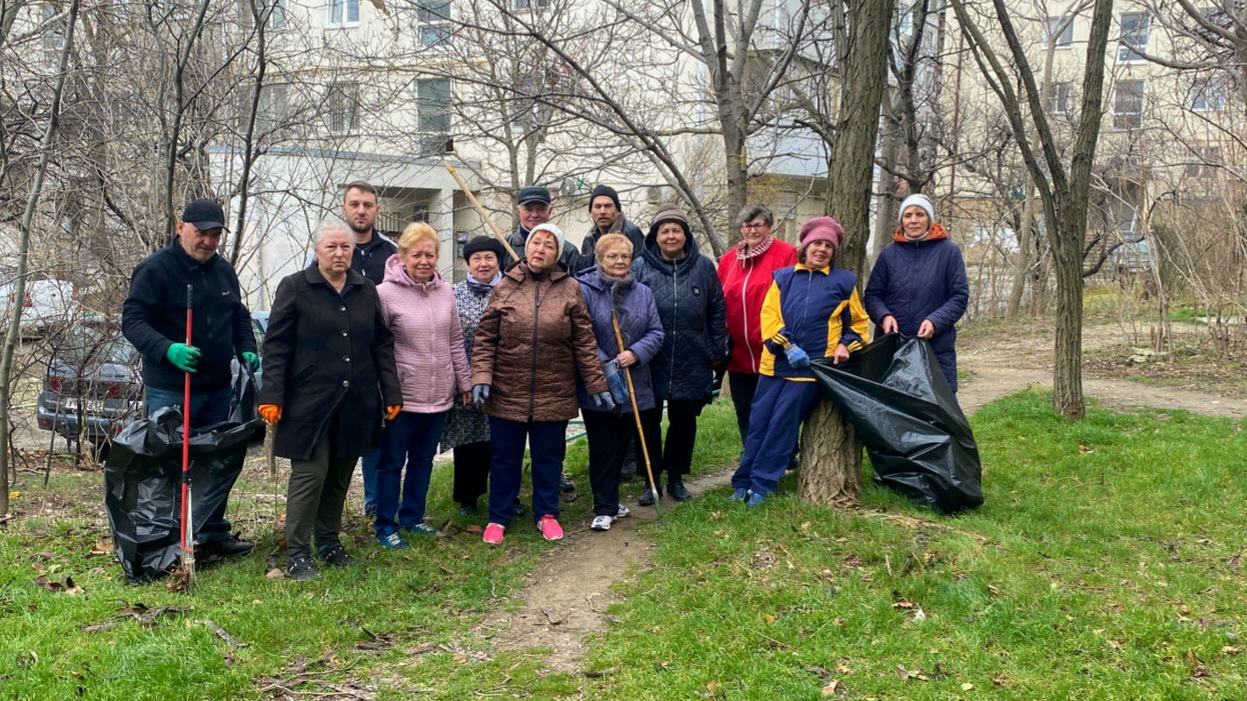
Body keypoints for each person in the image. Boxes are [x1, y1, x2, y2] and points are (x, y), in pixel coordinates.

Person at [258, 221, 402, 581]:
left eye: (345, 248)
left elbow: (381, 344)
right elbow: (276, 346)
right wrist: (271, 395)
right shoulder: (295, 287)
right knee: (311, 473)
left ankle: (328, 542)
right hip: (309, 402)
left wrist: (391, 391)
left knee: (339, 475)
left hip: (357, 400)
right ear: (317, 251)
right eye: (331, 248)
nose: (339, 254)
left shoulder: (365, 289)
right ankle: (297, 552)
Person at [121, 198, 259, 558]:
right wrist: (167, 349)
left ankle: (211, 533)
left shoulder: (223, 271)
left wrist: (247, 345)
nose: (209, 242)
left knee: (216, 463)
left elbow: (238, 315)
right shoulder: (155, 270)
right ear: (181, 227)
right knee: (169, 465)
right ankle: (167, 541)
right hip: (171, 389)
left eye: (215, 235)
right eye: (202, 233)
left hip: (217, 390)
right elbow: (133, 321)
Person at [470, 223, 614, 545]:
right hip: (508, 389)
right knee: (504, 457)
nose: (541, 249)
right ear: (526, 247)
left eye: (549, 245)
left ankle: (546, 513)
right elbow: (485, 338)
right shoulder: (505, 286)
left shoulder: (570, 289)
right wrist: (481, 376)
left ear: (557, 254)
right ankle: (499, 516)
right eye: (536, 242)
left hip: (554, 391)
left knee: (549, 457)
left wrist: (597, 383)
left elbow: (584, 341)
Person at [731, 217, 868, 507]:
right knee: (759, 423)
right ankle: (742, 481)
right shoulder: (783, 278)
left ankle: (763, 484)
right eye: (817, 243)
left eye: (828, 246)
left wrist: (845, 345)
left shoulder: (844, 282)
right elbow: (768, 318)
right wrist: (788, 345)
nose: (822, 250)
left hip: (811, 369)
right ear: (805, 247)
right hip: (775, 364)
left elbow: (859, 324)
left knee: (782, 426)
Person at [372, 223, 472, 549]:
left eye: (430, 254)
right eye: (417, 254)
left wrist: (464, 381)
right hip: (402, 397)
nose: (424, 260)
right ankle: (385, 524)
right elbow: (378, 347)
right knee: (391, 463)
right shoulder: (384, 294)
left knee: (422, 461)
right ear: (402, 256)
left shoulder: (446, 293)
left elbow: (455, 340)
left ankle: (413, 517)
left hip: (439, 394)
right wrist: (385, 390)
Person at [304, 182, 399, 520]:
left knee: (375, 436)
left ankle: (374, 502)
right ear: (344, 208)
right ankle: (325, 512)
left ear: (377, 210)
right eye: (355, 204)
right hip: (330, 366)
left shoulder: (391, 252)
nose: (361, 210)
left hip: (376, 356)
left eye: (368, 204)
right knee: (331, 442)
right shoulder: (325, 246)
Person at [632, 203, 727, 504]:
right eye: (665, 230)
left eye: (676, 230)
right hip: (651, 356)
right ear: (655, 236)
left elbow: (717, 310)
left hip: (692, 354)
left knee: (683, 420)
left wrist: (715, 351)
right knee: (647, 419)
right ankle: (650, 480)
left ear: (685, 235)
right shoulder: (639, 267)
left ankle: (675, 477)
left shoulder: (704, 267)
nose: (671, 236)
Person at [576, 234, 664, 531]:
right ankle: (603, 506)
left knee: (623, 443)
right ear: (600, 258)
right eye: (612, 256)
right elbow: (582, 333)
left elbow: (656, 331)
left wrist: (635, 354)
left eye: (624, 256)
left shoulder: (643, 293)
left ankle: (612, 500)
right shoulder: (586, 290)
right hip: (600, 382)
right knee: (603, 446)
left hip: (634, 381)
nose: (619, 261)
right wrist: (606, 360)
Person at [864, 194, 970, 392]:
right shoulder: (889, 253)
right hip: (893, 346)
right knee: (893, 408)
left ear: (929, 219)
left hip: (935, 347)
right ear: (902, 221)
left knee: (936, 412)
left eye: (920, 214)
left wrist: (935, 321)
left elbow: (959, 296)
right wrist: (883, 316)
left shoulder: (948, 251)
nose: (913, 220)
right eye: (908, 215)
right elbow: (872, 295)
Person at [716, 203, 798, 446]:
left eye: (758, 225)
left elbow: (792, 298)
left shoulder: (785, 254)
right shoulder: (730, 259)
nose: (752, 231)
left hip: (772, 347)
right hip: (739, 350)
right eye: (747, 225)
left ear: (769, 227)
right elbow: (719, 298)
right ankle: (751, 451)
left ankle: (785, 454)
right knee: (745, 406)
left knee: (776, 406)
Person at [441, 236, 505, 516]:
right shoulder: (452, 294)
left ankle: (506, 497)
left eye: (489, 257)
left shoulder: (509, 291)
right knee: (468, 442)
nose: (483, 263)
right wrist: (461, 379)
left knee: (501, 441)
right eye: (476, 258)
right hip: (465, 379)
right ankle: (468, 498)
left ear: (498, 260)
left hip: (503, 380)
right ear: (467, 262)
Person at [499, 185, 584, 274]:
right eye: (528, 209)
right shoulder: (504, 248)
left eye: (541, 209)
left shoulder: (569, 252)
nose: (535, 215)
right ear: (518, 211)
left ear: (550, 211)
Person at [578, 185, 646, 272]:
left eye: (608, 206)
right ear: (590, 211)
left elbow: (641, 270)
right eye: (598, 206)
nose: (602, 211)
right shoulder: (589, 239)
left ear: (618, 209)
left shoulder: (631, 232)